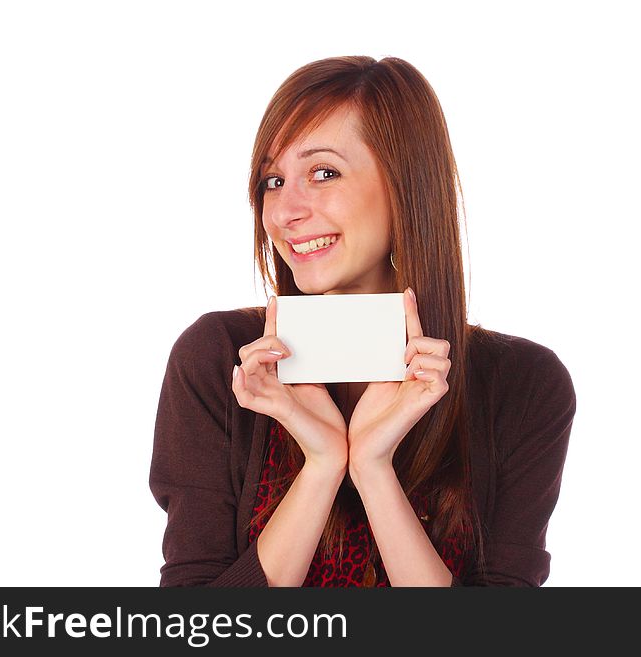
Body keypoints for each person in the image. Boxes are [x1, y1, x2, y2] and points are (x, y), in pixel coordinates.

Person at [149, 56, 576, 587]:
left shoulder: (523, 384)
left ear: (406, 186)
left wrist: (374, 470)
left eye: (323, 173)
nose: (284, 212)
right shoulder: (220, 360)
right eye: (272, 181)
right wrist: (323, 465)